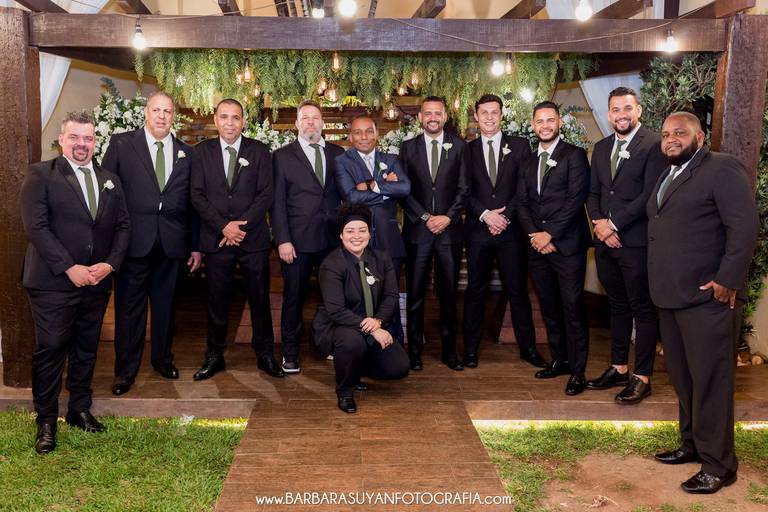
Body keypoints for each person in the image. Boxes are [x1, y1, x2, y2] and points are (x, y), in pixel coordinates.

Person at [649, 112, 757, 494]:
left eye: (680, 133)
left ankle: (719, 465)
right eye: (665, 134)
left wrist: (727, 279)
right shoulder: (668, 175)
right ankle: (692, 444)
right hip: (671, 297)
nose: (670, 139)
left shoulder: (722, 168)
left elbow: (744, 227)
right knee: (684, 378)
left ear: (700, 136)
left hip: (708, 298)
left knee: (711, 382)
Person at [21, 111, 130, 453]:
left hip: (96, 281)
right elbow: (36, 227)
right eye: (75, 137)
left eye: (88, 138)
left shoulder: (110, 179)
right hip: (52, 282)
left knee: (86, 346)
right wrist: (70, 268)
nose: (82, 144)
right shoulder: (41, 174)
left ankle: (79, 409)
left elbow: (123, 226)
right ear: (62, 140)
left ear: (95, 141)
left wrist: (109, 264)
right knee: (52, 348)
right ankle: (46, 420)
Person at [102, 91, 201, 396]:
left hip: (172, 244)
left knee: (165, 307)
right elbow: (108, 195)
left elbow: (193, 204)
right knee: (129, 310)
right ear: (146, 112)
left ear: (174, 117)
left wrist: (195, 245)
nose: (161, 116)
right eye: (156, 110)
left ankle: (162, 359)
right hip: (132, 242)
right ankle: (125, 371)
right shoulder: (122, 144)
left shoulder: (187, 153)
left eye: (167, 111)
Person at [190, 98, 283, 380]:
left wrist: (240, 227)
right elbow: (197, 195)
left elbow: (265, 194)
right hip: (217, 239)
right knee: (216, 299)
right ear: (215, 120)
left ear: (243, 122)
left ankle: (265, 353)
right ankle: (214, 354)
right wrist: (223, 227)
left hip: (252, 239)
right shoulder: (201, 152)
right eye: (224, 117)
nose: (229, 123)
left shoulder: (259, 150)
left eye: (235, 118)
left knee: (259, 298)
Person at [585, 87, 666, 404]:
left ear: (638, 110)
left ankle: (642, 377)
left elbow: (649, 195)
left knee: (642, 309)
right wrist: (600, 225)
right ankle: (618, 367)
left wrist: (614, 224)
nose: (621, 115)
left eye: (627, 108)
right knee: (617, 305)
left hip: (635, 242)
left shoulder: (654, 145)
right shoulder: (602, 147)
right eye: (616, 109)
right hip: (605, 243)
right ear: (609, 114)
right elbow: (593, 194)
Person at [462, 94, 544, 369]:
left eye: (494, 112)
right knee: (475, 291)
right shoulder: (466, 150)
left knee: (517, 290)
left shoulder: (520, 146)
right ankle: (470, 350)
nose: (489, 117)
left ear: (501, 114)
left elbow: (525, 187)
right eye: (483, 112)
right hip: (478, 231)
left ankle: (528, 349)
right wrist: (486, 215)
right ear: (476, 116)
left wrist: (505, 217)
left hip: (511, 232)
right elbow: (463, 191)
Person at [517, 101, 591, 395]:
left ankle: (579, 370)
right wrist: (535, 235)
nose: (545, 126)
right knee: (549, 306)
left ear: (559, 122)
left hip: (567, 246)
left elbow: (576, 199)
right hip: (537, 246)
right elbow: (522, 203)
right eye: (540, 121)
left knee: (572, 307)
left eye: (550, 120)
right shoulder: (528, 161)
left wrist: (550, 235)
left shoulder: (574, 155)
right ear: (533, 125)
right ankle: (560, 359)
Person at [312, 203, 410, 413]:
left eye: (362, 230)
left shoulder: (382, 257)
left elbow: (391, 296)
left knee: (399, 366)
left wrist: (378, 321)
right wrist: (373, 329)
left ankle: (354, 367)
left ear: (369, 233)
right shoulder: (332, 264)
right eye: (350, 231)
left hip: (373, 322)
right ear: (341, 235)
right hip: (339, 325)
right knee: (352, 343)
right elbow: (336, 310)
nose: (356, 236)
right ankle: (345, 391)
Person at [272, 100, 345, 374]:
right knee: (294, 297)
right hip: (296, 242)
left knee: (332, 297)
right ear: (297, 124)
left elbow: (346, 195)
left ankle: (327, 344)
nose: (311, 122)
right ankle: (290, 353)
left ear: (323, 123)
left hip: (331, 240)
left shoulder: (338, 154)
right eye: (305, 118)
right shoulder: (281, 157)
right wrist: (283, 239)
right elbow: (277, 203)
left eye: (315, 118)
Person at [400, 96, 469, 371]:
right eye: (427, 113)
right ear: (420, 117)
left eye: (437, 113)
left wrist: (448, 217)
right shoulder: (407, 148)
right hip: (418, 232)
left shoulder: (460, 147)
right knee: (415, 294)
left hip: (449, 233)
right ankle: (414, 352)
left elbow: (464, 188)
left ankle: (450, 352)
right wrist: (425, 217)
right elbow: (403, 190)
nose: (432, 117)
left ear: (445, 116)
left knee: (449, 295)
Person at [335, 115, 411, 346]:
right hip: (358, 243)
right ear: (350, 137)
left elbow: (404, 188)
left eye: (369, 131)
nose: (364, 137)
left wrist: (372, 185)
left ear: (377, 134)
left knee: (390, 295)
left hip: (389, 240)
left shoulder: (391, 159)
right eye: (358, 132)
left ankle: (395, 344)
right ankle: (362, 345)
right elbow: (351, 197)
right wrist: (387, 190)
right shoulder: (342, 161)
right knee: (360, 296)